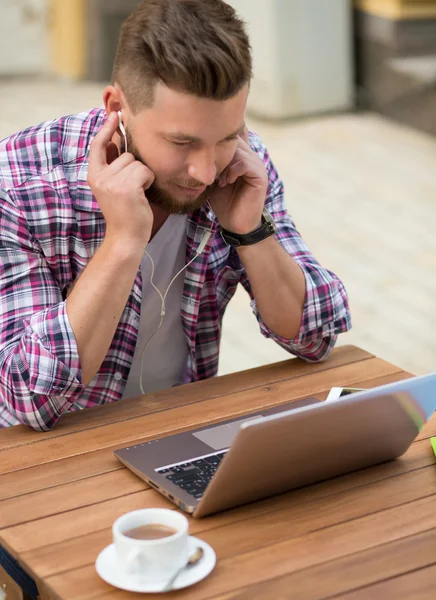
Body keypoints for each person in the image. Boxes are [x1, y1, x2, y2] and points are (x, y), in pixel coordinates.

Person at [0, 0, 351, 435]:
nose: (205, 172)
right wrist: (123, 242)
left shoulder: (242, 167)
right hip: (51, 453)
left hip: (178, 431)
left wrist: (251, 232)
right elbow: (27, 401)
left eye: (226, 136)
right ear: (116, 108)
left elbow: (315, 338)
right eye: (182, 142)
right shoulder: (19, 185)